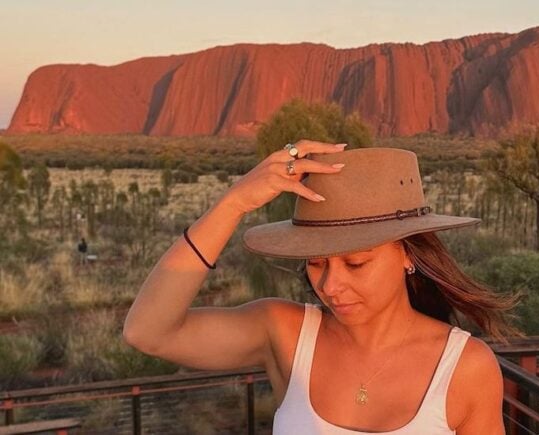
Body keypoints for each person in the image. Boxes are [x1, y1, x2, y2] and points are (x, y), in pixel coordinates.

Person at [123, 141, 515, 434]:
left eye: (356, 262)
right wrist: (232, 203)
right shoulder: (284, 333)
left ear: (408, 255)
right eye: (315, 262)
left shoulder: (465, 367)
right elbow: (149, 332)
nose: (331, 284)